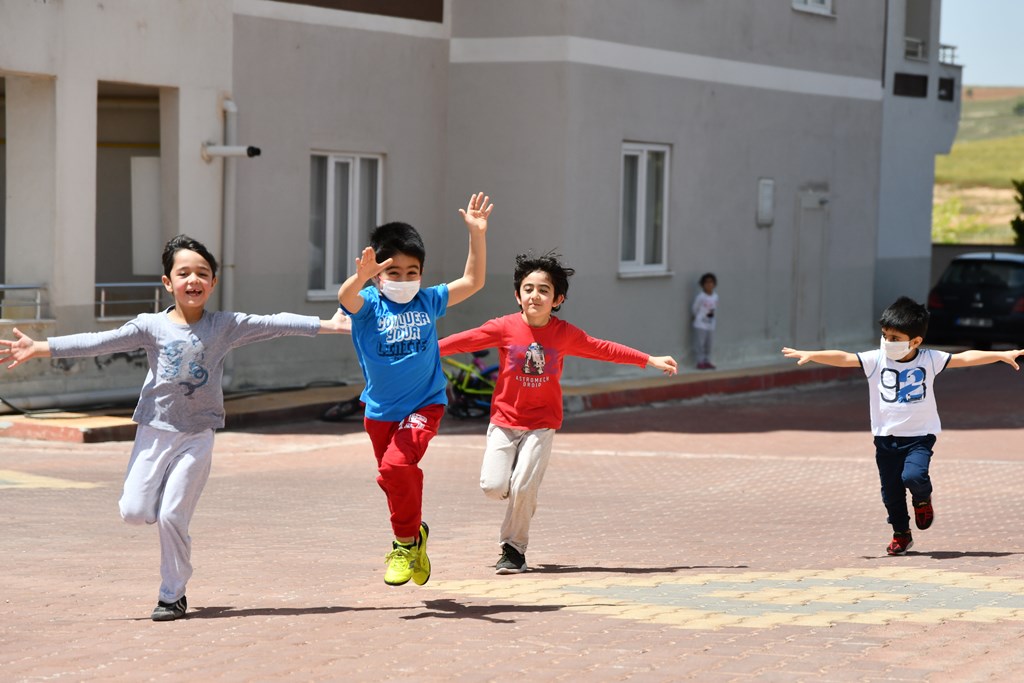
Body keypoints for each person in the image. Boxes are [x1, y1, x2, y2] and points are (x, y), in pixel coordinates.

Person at [0, 235, 351, 621]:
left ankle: (172, 593)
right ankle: (160, 504)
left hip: (197, 435)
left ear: (213, 282)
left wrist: (330, 325)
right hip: (155, 431)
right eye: (184, 273)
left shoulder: (224, 326)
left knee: (171, 516)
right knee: (134, 512)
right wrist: (41, 347)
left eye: (202, 273)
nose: (193, 280)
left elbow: (275, 323)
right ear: (168, 282)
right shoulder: (150, 326)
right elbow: (100, 341)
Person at [438, 251, 678, 574]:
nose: (534, 295)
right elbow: (464, 341)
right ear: (517, 295)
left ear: (557, 299)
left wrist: (648, 359)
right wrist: (424, 349)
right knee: (493, 487)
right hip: (505, 421)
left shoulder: (564, 334)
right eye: (528, 289)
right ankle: (519, 491)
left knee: (523, 486)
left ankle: (513, 550)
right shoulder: (504, 327)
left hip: (541, 423)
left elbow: (603, 349)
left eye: (544, 290)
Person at [782, 296, 1023, 556]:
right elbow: (844, 357)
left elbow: (964, 358)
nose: (887, 342)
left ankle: (922, 499)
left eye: (895, 338)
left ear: (915, 341)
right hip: (885, 439)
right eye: (885, 335)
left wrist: (1000, 354)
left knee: (913, 476)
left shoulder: (930, 359)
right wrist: (813, 355)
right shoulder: (876, 359)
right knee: (891, 492)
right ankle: (901, 534)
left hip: (919, 436)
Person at [338, 192, 493, 587]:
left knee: (395, 467)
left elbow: (473, 281)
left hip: (425, 403)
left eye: (412, 271)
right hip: (379, 410)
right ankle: (416, 534)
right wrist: (360, 277)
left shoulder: (428, 300)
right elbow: (345, 298)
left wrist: (476, 235)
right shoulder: (369, 304)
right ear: (378, 275)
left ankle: (404, 545)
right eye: (394, 272)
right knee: (391, 478)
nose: (405, 279)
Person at [692, 272, 718, 369]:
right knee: (700, 344)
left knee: (709, 344)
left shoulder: (715, 296)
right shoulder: (701, 297)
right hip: (700, 325)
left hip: (711, 325)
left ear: (714, 284)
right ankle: (700, 361)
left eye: (711, 282)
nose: (709, 284)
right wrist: (698, 317)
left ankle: (707, 361)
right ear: (703, 284)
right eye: (706, 282)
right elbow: (695, 308)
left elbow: (714, 309)